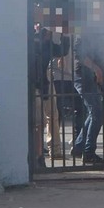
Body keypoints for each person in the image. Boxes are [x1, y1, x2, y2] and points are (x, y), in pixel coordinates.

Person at [71, 28, 104, 165]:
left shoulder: (96, 34)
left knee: (94, 113)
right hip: (83, 77)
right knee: (96, 114)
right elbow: (80, 55)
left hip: (89, 78)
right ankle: (88, 152)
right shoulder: (84, 32)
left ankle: (79, 146)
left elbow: (98, 56)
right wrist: (96, 69)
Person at [33, 24, 67, 167]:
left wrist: (64, 34)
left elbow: (62, 51)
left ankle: (55, 149)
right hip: (33, 81)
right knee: (37, 121)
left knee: (52, 114)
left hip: (45, 79)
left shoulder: (48, 43)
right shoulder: (33, 40)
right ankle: (38, 156)